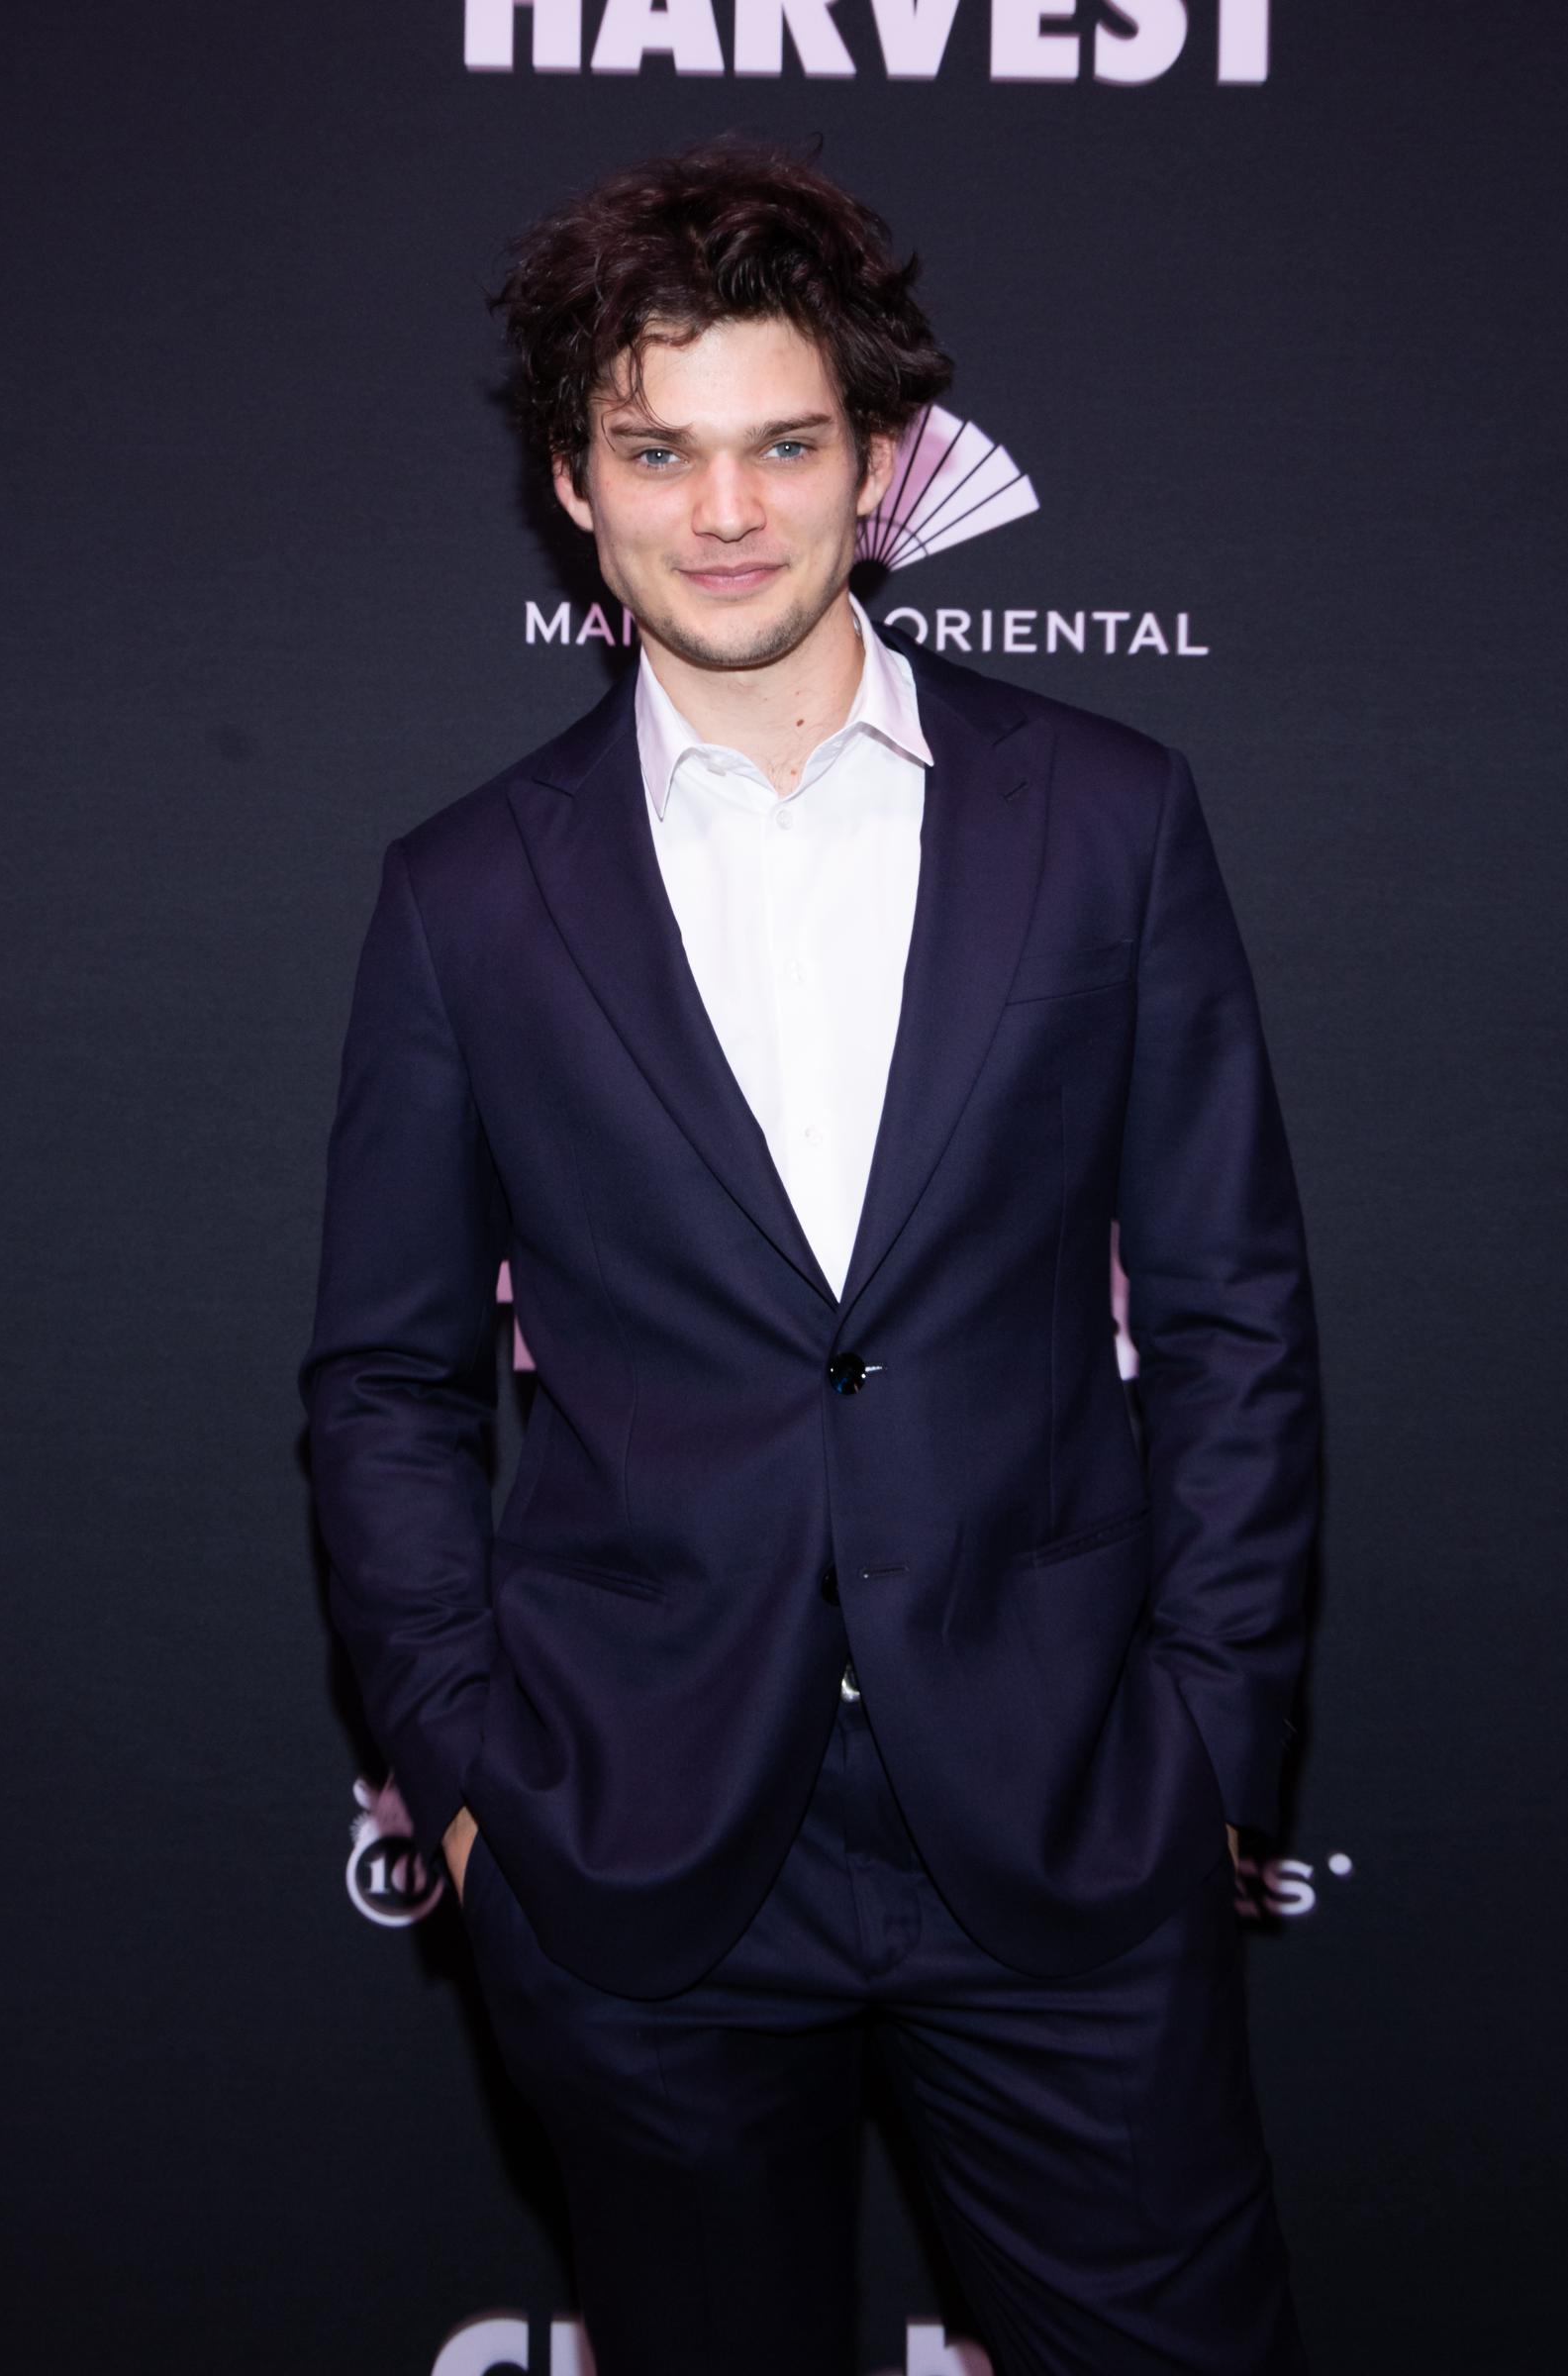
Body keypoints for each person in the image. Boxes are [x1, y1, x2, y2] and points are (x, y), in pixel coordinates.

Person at [302, 140, 1319, 2375]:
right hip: (636, 1845)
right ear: (579, 483)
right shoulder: (466, 892)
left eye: (783, 443)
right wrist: (470, 1783)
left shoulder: (1109, 816)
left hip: (1062, 1821)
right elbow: (384, 1382)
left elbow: (1236, 1308)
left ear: (879, 458)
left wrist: (1211, 1751)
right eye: (660, 451)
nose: (728, 511)